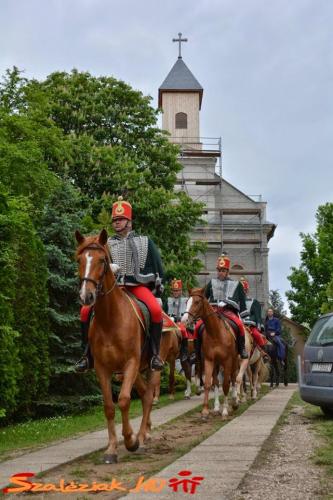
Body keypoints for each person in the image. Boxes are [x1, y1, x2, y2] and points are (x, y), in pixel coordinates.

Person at [75, 196, 165, 372]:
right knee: (85, 311)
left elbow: (157, 268)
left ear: (129, 221)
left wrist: (155, 286)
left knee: (155, 310)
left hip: (137, 287)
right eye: (115, 220)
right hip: (113, 289)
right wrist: (109, 268)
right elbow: (96, 265)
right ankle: (86, 355)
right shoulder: (106, 243)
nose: (116, 223)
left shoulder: (145, 241)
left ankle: (154, 354)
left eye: (120, 219)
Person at [205, 254, 248, 359]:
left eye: (223, 270)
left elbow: (240, 301)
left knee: (239, 325)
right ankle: (196, 352)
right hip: (213, 311)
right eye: (219, 270)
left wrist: (227, 302)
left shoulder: (236, 284)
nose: (220, 273)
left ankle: (242, 348)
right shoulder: (211, 282)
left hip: (228, 311)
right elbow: (204, 298)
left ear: (228, 272)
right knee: (198, 326)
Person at [239, 277, 269, 360]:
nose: (242, 292)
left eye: (244, 290)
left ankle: (264, 353)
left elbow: (257, 316)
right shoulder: (236, 302)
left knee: (256, 335)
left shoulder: (254, 302)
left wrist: (258, 326)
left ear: (246, 290)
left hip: (250, 325)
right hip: (238, 324)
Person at [165, 278, 192, 362]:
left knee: (183, 330)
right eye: (174, 290)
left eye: (177, 290)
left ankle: (184, 351)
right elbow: (164, 311)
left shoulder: (185, 301)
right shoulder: (168, 300)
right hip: (169, 321)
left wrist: (177, 318)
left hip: (181, 321)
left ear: (181, 291)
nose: (175, 292)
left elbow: (187, 315)